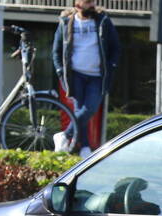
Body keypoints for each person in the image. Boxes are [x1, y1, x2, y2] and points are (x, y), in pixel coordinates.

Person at [52, 0, 120, 158]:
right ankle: (85, 148)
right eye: (88, 2)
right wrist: (60, 71)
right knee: (79, 110)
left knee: (89, 109)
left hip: (96, 75)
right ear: (77, 5)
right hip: (75, 75)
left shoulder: (103, 21)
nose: (92, 5)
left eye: (92, 2)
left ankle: (64, 135)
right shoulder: (66, 22)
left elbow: (115, 47)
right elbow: (56, 50)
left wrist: (112, 65)